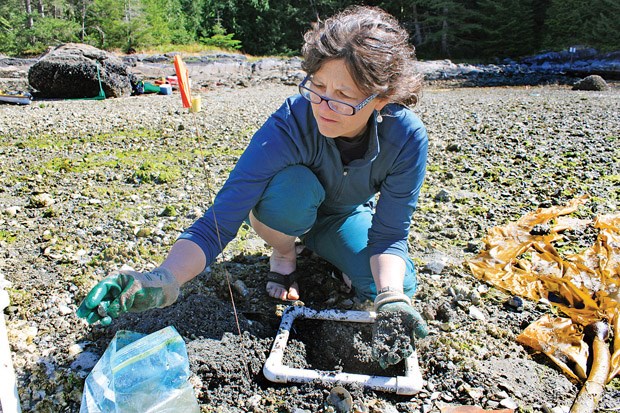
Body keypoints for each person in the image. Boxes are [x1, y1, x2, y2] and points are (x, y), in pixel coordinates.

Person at [77, 5, 429, 369]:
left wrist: (390, 297)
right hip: (284, 210)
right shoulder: (291, 121)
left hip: (342, 216)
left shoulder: (406, 137)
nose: (323, 104)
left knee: (400, 283)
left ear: (382, 97)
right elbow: (220, 222)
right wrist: (162, 279)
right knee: (295, 187)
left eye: (342, 95)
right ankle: (284, 252)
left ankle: (334, 254)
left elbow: (390, 236)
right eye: (317, 86)